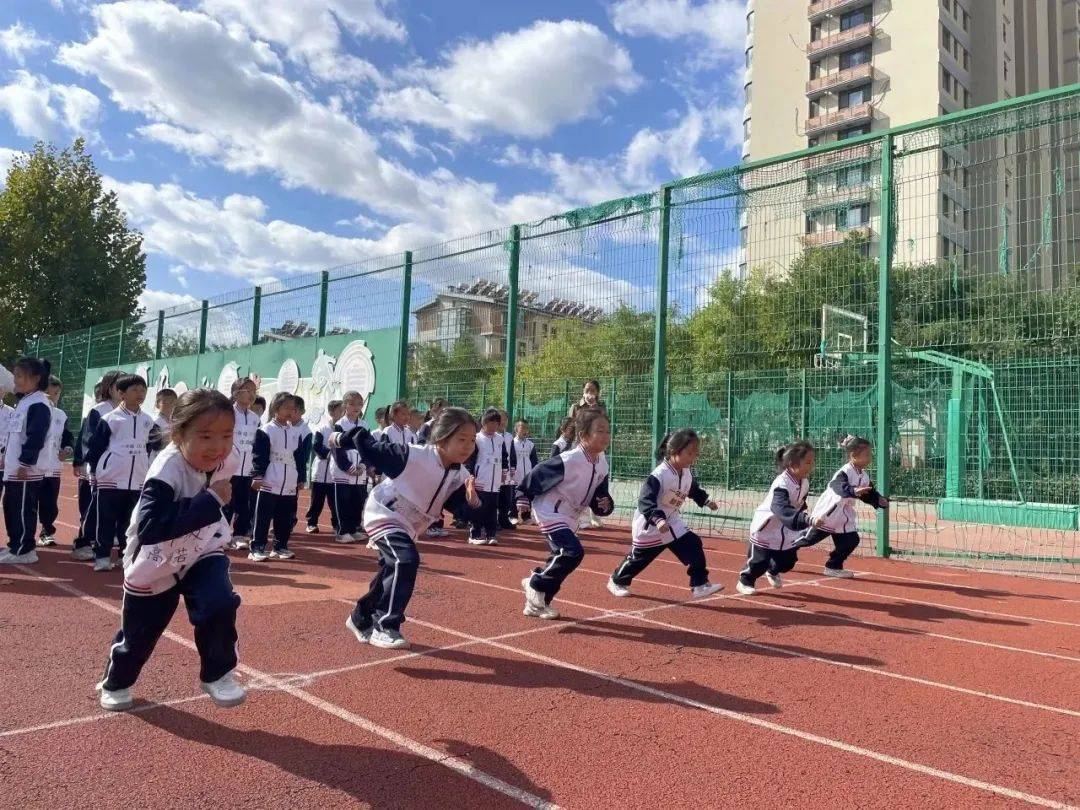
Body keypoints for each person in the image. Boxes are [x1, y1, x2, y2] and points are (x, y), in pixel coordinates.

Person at [95, 388, 245, 712]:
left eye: (226, 435)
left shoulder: (228, 458)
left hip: (203, 547)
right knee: (140, 634)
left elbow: (230, 492)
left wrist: (221, 519)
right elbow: (152, 529)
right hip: (156, 558)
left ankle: (218, 673)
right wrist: (211, 500)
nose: (217, 446)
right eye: (205, 436)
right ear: (178, 434)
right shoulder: (166, 469)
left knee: (219, 602)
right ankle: (116, 681)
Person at [333, 407, 479, 649]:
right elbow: (367, 443)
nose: (468, 446)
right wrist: (341, 439)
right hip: (384, 513)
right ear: (441, 438)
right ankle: (385, 625)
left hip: (410, 525)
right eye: (461, 439)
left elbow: (460, 510)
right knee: (405, 561)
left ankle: (360, 617)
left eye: (472, 440)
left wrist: (472, 502)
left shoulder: (459, 474)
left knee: (391, 570)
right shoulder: (413, 456)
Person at [516, 407, 614, 619]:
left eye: (608, 430)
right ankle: (535, 582)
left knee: (561, 558)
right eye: (600, 431)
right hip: (550, 510)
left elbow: (600, 495)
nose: (606, 436)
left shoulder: (602, 463)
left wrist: (605, 504)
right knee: (572, 552)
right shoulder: (569, 459)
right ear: (583, 435)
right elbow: (537, 474)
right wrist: (522, 496)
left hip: (571, 516)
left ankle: (538, 604)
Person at [607, 429, 724, 599]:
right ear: (674, 451)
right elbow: (645, 501)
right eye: (690, 453)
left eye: (695, 453)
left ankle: (699, 585)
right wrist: (658, 520)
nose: (693, 457)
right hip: (651, 525)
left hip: (673, 523)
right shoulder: (659, 475)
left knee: (693, 544)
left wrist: (706, 501)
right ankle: (617, 580)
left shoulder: (686, 474)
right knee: (639, 559)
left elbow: (693, 490)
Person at [85, 374, 158, 572]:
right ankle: (102, 556)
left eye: (143, 390)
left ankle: (127, 557)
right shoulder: (109, 419)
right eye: (134, 390)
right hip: (111, 479)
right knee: (106, 520)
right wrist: (97, 472)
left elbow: (153, 446)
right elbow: (95, 448)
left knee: (130, 522)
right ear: (121, 393)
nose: (140, 394)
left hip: (137, 480)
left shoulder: (148, 421)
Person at [796, 435, 888, 578]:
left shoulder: (864, 476)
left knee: (851, 540)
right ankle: (778, 547)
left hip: (844, 515)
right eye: (867, 454)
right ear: (854, 456)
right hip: (829, 513)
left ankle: (833, 566)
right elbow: (837, 486)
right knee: (807, 540)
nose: (870, 457)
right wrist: (852, 490)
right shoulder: (844, 471)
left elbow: (868, 493)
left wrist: (879, 500)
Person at [737, 441, 815, 596]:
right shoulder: (781, 483)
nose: (811, 466)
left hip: (785, 529)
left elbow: (800, 503)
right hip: (767, 527)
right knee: (759, 562)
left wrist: (805, 514)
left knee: (787, 562)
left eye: (812, 462)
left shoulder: (804, 482)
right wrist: (805, 520)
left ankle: (772, 571)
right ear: (792, 464)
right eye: (807, 462)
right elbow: (781, 508)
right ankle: (745, 581)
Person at [0, 357, 53, 564]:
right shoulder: (25, 401)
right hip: (14, 468)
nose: (16, 380)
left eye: (20, 376)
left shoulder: (38, 404)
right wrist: (7, 458)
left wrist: (25, 463)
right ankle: (16, 545)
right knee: (11, 507)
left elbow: (35, 437)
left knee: (22, 509)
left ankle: (24, 549)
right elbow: (16, 436)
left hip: (26, 471)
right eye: (16, 375)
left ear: (36, 378)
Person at [248, 393, 310, 561]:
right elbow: (259, 455)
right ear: (276, 408)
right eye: (287, 407)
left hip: (289, 478)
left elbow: (299, 456)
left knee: (286, 516)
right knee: (263, 515)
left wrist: (301, 478)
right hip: (270, 478)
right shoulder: (266, 430)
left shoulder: (295, 432)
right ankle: (257, 547)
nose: (291, 411)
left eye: (293, 408)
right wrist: (258, 475)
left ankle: (280, 546)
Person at [72, 371, 123, 561]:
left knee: (117, 510)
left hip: (122, 472)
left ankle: (107, 546)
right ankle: (83, 543)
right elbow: (89, 441)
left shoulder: (131, 412)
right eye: (121, 386)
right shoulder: (99, 410)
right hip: (101, 470)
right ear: (110, 388)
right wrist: (93, 466)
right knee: (94, 507)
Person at [36, 375, 73, 547]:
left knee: (50, 503)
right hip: (34, 467)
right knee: (30, 503)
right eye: (49, 394)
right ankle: (26, 535)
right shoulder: (34, 410)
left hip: (54, 467)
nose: (54, 397)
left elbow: (67, 437)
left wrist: (67, 449)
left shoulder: (61, 415)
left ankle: (46, 532)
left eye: (57, 394)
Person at [329, 391, 369, 545]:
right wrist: (348, 467)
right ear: (345, 405)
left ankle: (354, 529)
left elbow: (368, 446)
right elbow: (336, 449)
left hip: (360, 469)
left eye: (359, 403)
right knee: (343, 501)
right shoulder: (339, 424)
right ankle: (342, 531)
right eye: (352, 404)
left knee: (357, 500)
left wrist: (364, 465)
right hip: (343, 469)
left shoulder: (364, 425)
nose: (356, 407)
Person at [466, 408, 508, 546]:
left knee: (492, 508)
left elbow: (504, 457)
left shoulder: (500, 439)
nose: (494, 426)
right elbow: (471, 459)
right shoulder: (477, 438)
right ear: (483, 422)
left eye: (496, 423)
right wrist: (471, 476)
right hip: (481, 478)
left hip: (495, 480)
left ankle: (491, 534)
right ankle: (475, 534)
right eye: (491, 422)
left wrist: (504, 472)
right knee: (479, 507)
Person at [227, 378, 259, 550]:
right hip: (228, 467)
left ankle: (239, 535)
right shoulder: (228, 414)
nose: (252, 394)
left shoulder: (255, 418)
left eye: (254, 390)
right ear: (236, 392)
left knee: (244, 504)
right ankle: (222, 535)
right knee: (226, 503)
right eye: (247, 390)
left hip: (247, 469)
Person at [306, 399, 343, 534]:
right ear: (332, 412)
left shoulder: (342, 429)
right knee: (317, 500)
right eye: (340, 410)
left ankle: (336, 525)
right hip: (321, 471)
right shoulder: (322, 428)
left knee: (334, 502)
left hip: (335, 473)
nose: (342, 412)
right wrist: (330, 454)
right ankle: (311, 522)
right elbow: (316, 446)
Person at [497, 410, 517, 530]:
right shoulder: (493, 436)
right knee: (495, 497)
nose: (503, 422)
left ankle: (504, 519)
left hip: (507, 471)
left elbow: (512, 453)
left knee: (506, 497)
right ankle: (494, 520)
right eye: (501, 419)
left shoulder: (509, 436)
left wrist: (513, 467)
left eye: (506, 419)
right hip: (495, 470)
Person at [148, 388, 177, 467]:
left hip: (172, 458)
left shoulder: (176, 421)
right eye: (165, 402)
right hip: (157, 459)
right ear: (157, 404)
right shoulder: (155, 422)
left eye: (172, 402)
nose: (169, 405)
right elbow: (155, 445)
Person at [511, 419, 539, 493]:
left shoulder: (530, 444)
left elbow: (534, 462)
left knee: (527, 501)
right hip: (515, 480)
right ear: (516, 429)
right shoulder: (512, 443)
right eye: (523, 427)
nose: (525, 430)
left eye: (527, 428)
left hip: (528, 479)